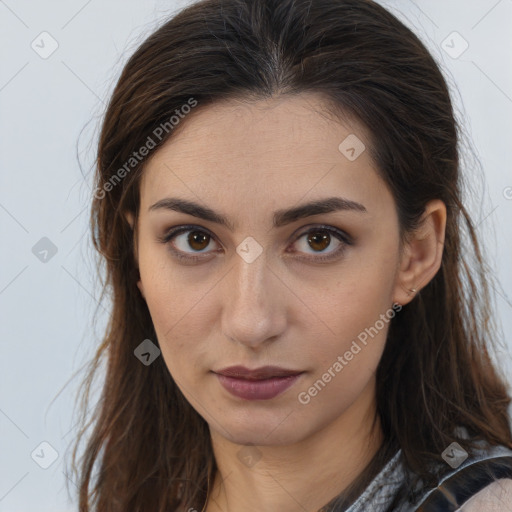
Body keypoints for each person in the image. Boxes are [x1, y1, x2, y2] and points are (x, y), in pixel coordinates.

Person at [69, 0, 512, 510]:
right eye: (194, 239)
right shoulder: (130, 495)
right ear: (135, 253)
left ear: (415, 253)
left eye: (318, 240)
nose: (251, 322)